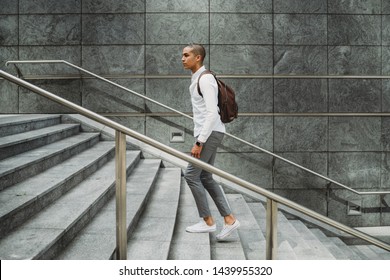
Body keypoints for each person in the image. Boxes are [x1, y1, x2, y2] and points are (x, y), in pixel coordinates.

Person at [181, 43, 240, 241]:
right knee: (205, 177)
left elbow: (212, 112)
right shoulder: (198, 78)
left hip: (209, 134)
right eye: (182, 55)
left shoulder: (205, 80)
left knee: (191, 174)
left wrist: (200, 142)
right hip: (210, 133)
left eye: (186, 55)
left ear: (198, 58)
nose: (182, 58)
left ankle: (207, 221)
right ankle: (229, 219)